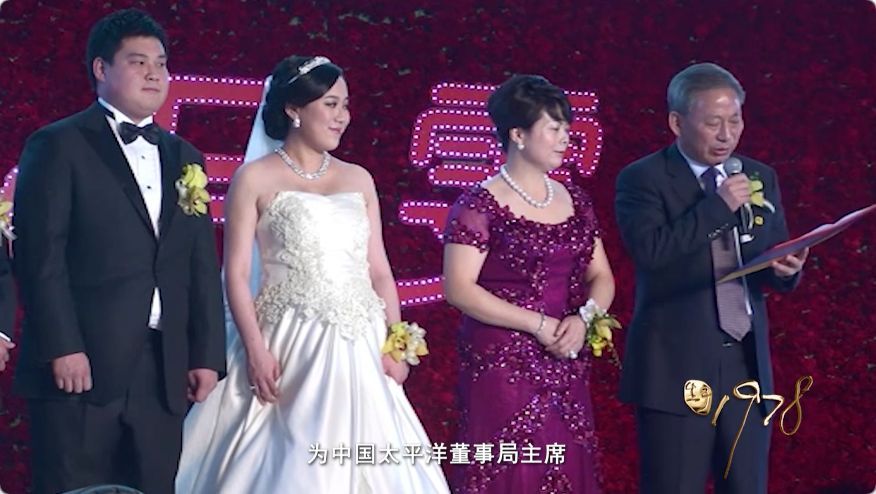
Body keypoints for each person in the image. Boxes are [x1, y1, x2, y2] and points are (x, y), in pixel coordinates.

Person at [175, 55, 450, 493]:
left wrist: (395, 344)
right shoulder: (254, 178)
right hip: (287, 340)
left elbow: (380, 272)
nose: (342, 116)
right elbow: (236, 274)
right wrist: (255, 350)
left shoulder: (359, 179)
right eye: (331, 104)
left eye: (346, 105)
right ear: (294, 109)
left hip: (360, 342)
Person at [12, 9, 226, 494]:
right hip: (82, 365)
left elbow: (198, 262)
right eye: (138, 61)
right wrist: (63, 346)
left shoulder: (185, 156)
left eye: (161, 63)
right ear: (101, 69)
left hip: (162, 369)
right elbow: (41, 258)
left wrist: (205, 354)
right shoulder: (58, 144)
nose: (154, 74)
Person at [614, 62, 807, 494]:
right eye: (713, 123)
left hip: (745, 367)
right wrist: (718, 207)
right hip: (676, 368)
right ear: (677, 123)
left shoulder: (758, 176)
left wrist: (786, 270)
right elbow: (652, 253)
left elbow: (768, 253)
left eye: (734, 121)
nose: (726, 135)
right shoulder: (643, 179)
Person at [443, 74, 615, 493]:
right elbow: (459, 288)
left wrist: (585, 319)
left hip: (565, 353)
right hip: (503, 362)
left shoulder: (575, 199)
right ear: (517, 135)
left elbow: (602, 276)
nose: (565, 138)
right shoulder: (478, 204)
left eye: (567, 128)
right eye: (553, 128)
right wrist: (537, 324)